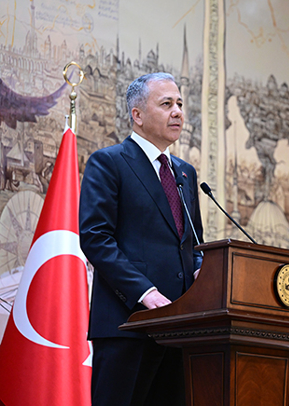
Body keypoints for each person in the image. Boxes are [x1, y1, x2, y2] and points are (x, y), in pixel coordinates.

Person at [79, 72, 203, 406]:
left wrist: (202, 270)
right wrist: (145, 292)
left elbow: (193, 243)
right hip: (128, 324)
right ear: (137, 115)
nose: (177, 112)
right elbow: (95, 238)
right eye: (166, 104)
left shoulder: (185, 173)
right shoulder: (109, 163)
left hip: (180, 327)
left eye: (180, 104)